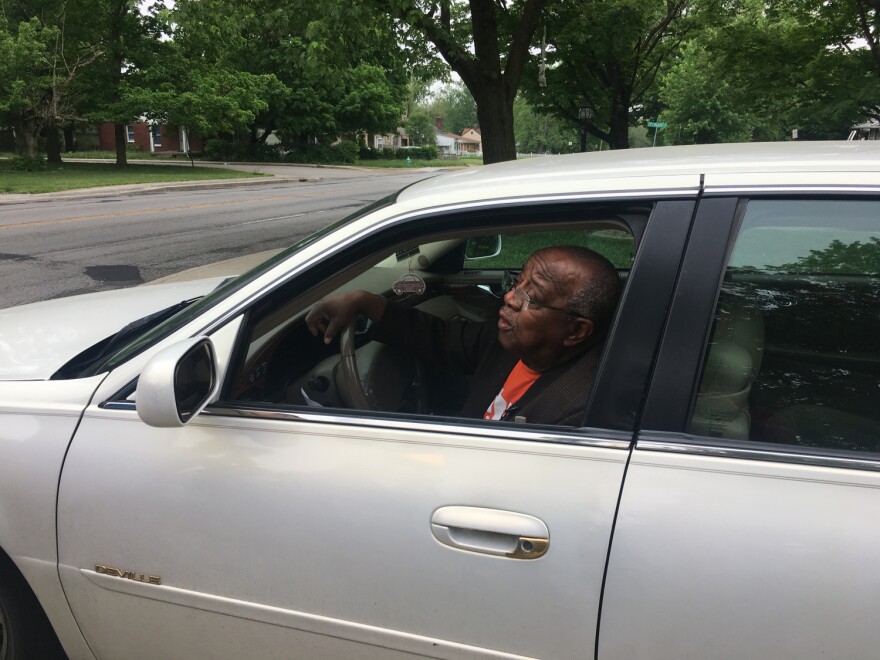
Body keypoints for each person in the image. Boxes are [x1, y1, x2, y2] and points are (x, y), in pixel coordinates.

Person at [306, 245, 622, 426]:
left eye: (531, 297)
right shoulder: (512, 342)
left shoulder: (577, 410)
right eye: (516, 283)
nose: (509, 298)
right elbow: (441, 339)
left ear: (576, 331)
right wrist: (365, 302)